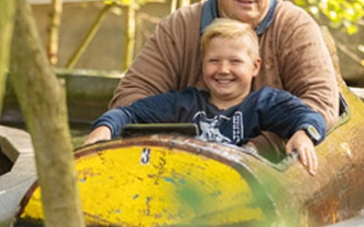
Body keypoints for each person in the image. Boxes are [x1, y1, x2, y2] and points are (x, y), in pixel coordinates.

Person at [107, 0, 339, 156]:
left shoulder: (295, 27)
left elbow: (321, 103)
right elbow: (130, 97)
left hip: (270, 165)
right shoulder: (178, 27)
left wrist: (254, 148)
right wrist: (183, 143)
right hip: (181, 157)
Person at [85, 18, 326, 174]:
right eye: (214, 61)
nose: (223, 69)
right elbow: (129, 114)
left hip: (236, 190)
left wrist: (303, 134)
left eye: (235, 62)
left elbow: (310, 116)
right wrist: (104, 129)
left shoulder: (264, 103)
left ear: (255, 67)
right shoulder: (184, 103)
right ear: (202, 66)